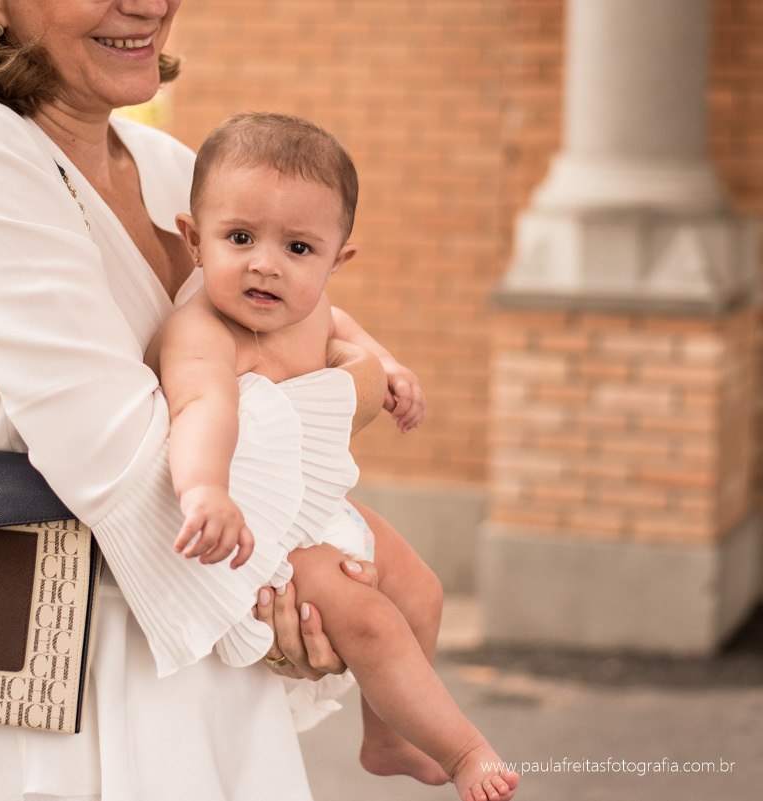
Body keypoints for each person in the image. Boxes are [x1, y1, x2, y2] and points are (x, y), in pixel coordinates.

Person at [0, 1, 433, 798]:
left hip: (214, 679)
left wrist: (306, 600)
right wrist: (355, 391)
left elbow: (280, 372)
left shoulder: (174, 166)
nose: (148, 3)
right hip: (71, 692)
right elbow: (128, 470)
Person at [145, 112, 519, 801]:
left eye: (298, 248)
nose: (265, 263)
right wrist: (204, 490)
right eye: (239, 238)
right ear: (194, 239)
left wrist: (389, 365)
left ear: (335, 262)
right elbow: (202, 408)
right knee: (371, 621)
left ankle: (388, 737)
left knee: (422, 591)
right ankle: (465, 751)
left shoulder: (310, 311)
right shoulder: (201, 331)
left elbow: (346, 328)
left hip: (321, 510)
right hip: (261, 534)